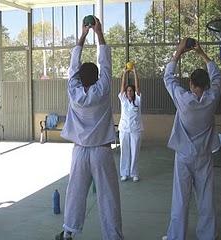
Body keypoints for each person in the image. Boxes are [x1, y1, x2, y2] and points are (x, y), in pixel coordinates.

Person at [55, 16, 123, 240]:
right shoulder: (102, 89)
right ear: (96, 78)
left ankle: (69, 232)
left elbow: (73, 66)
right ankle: (113, 236)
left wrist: (83, 35)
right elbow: (106, 64)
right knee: (108, 196)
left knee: (75, 193)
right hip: (101, 151)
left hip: (80, 151)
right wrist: (99, 33)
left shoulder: (73, 91)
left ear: (78, 78)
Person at [162, 38, 221, 240]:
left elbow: (168, 78)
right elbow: (218, 76)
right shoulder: (212, 98)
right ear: (206, 85)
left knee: (180, 199)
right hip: (204, 156)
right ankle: (207, 236)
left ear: (190, 83)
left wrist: (178, 52)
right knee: (206, 199)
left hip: (184, 156)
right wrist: (201, 53)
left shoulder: (183, 99)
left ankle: (176, 237)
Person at [118, 64, 143, 182]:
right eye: (127, 91)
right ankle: (124, 173)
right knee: (124, 152)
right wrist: (124, 73)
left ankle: (134, 173)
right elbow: (122, 87)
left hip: (135, 130)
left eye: (131, 90)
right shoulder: (123, 100)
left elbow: (138, 87)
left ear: (133, 92)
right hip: (123, 129)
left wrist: (134, 72)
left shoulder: (137, 100)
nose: (129, 92)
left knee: (135, 152)